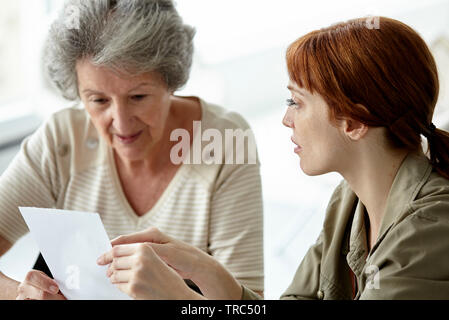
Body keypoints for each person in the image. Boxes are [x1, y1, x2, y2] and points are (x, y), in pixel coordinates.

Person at [97, 16, 449, 300]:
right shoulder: (349, 200)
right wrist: (210, 274)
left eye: (296, 102)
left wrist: (177, 300)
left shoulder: (429, 226)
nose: (286, 119)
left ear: (353, 122)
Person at [0, 0, 264, 300]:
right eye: (98, 100)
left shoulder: (223, 141)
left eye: (138, 96)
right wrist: (17, 293)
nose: (122, 124)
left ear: (170, 81)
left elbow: (247, 302)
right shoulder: (63, 139)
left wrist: (176, 295)